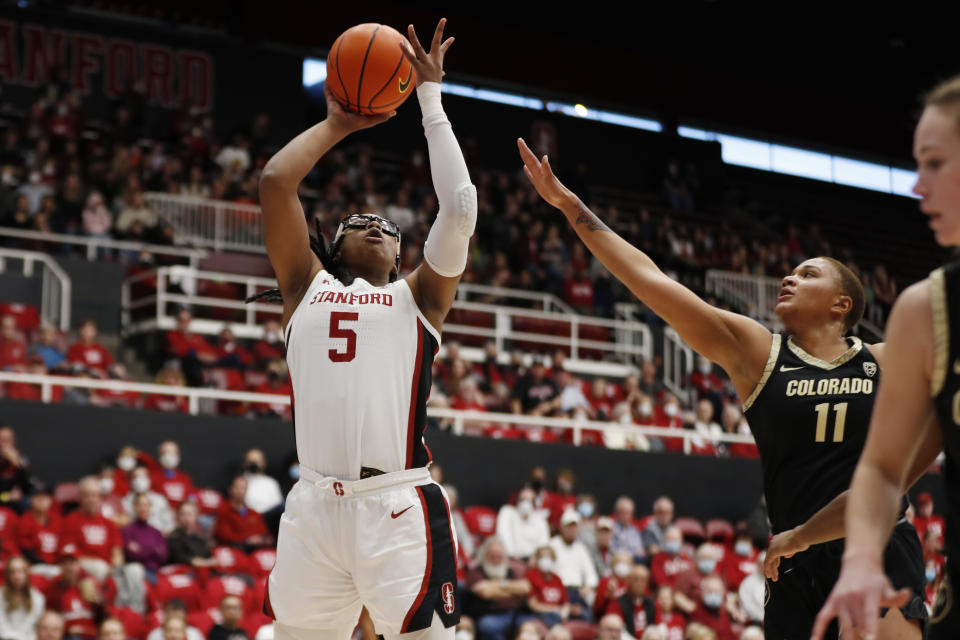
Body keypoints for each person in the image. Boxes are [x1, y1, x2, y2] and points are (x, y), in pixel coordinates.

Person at [518, 137, 926, 639]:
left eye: (808, 273)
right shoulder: (759, 353)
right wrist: (572, 208)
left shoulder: (885, 361)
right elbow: (651, 281)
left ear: (843, 305)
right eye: (791, 271)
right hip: (794, 559)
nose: (789, 278)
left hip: (877, 543)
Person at [259, 19, 476, 640]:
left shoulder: (420, 301)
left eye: (388, 227)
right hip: (313, 508)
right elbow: (277, 182)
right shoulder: (305, 287)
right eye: (358, 221)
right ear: (336, 244)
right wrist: (337, 125)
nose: (375, 225)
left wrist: (429, 98)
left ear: (402, 257)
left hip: (398, 508)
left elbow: (459, 208)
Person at [811, 76, 960, 640]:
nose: (918, 186)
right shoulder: (927, 309)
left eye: (935, 163)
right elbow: (880, 467)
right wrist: (859, 560)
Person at [0, 556, 46, 640]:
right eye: (12, 572)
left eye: (21, 571)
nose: (17, 576)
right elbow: (2, 627)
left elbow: (36, 626)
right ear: (7, 575)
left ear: (27, 574)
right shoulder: (1, 595)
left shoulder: (38, 597)